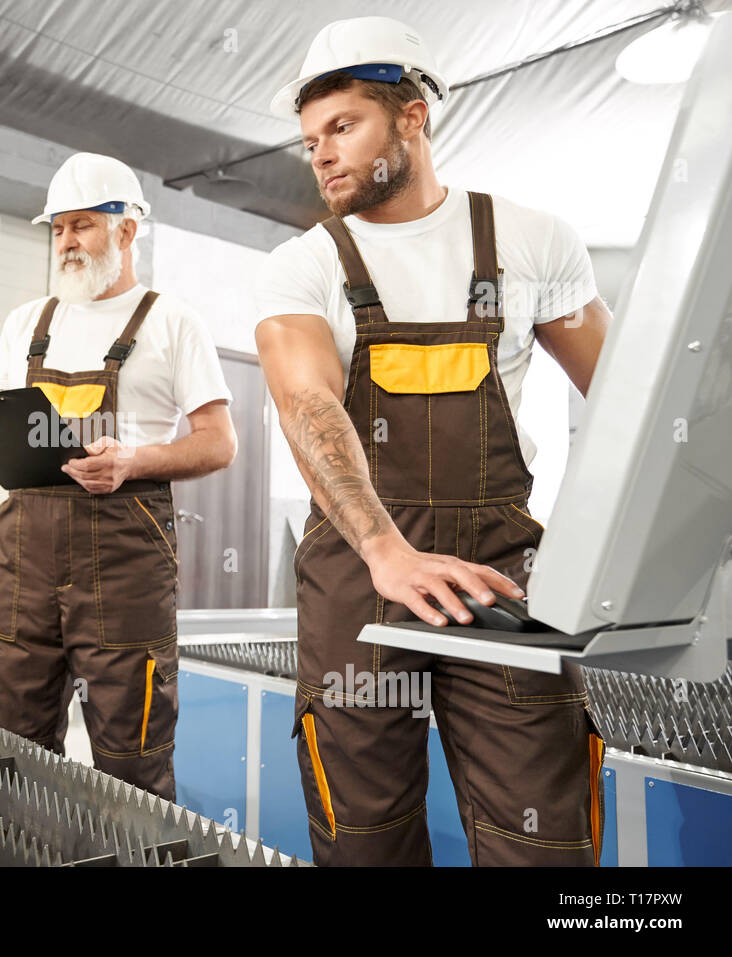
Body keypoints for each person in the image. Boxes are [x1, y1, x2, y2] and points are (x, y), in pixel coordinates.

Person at [255, 17, 611, 865]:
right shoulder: (301, 266)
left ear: (413, 116)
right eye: (310, 140)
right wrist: (385, 549)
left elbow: (629, 398)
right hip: (358, 576)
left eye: (344, 126)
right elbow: (308, 406)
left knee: (547, 842)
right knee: (364, 839)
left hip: (498, 575)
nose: (323, 155)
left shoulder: (533, 241)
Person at [0, 152, 237, 800]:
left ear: (127, 230)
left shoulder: (172, 322)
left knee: (134, 762)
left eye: (82, 225)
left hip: (126, 568)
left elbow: (219, 443)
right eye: (59, 228)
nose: (66, 241)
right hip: (25, 566)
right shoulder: (28, 324)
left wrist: (134, 460)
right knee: (8, 748)